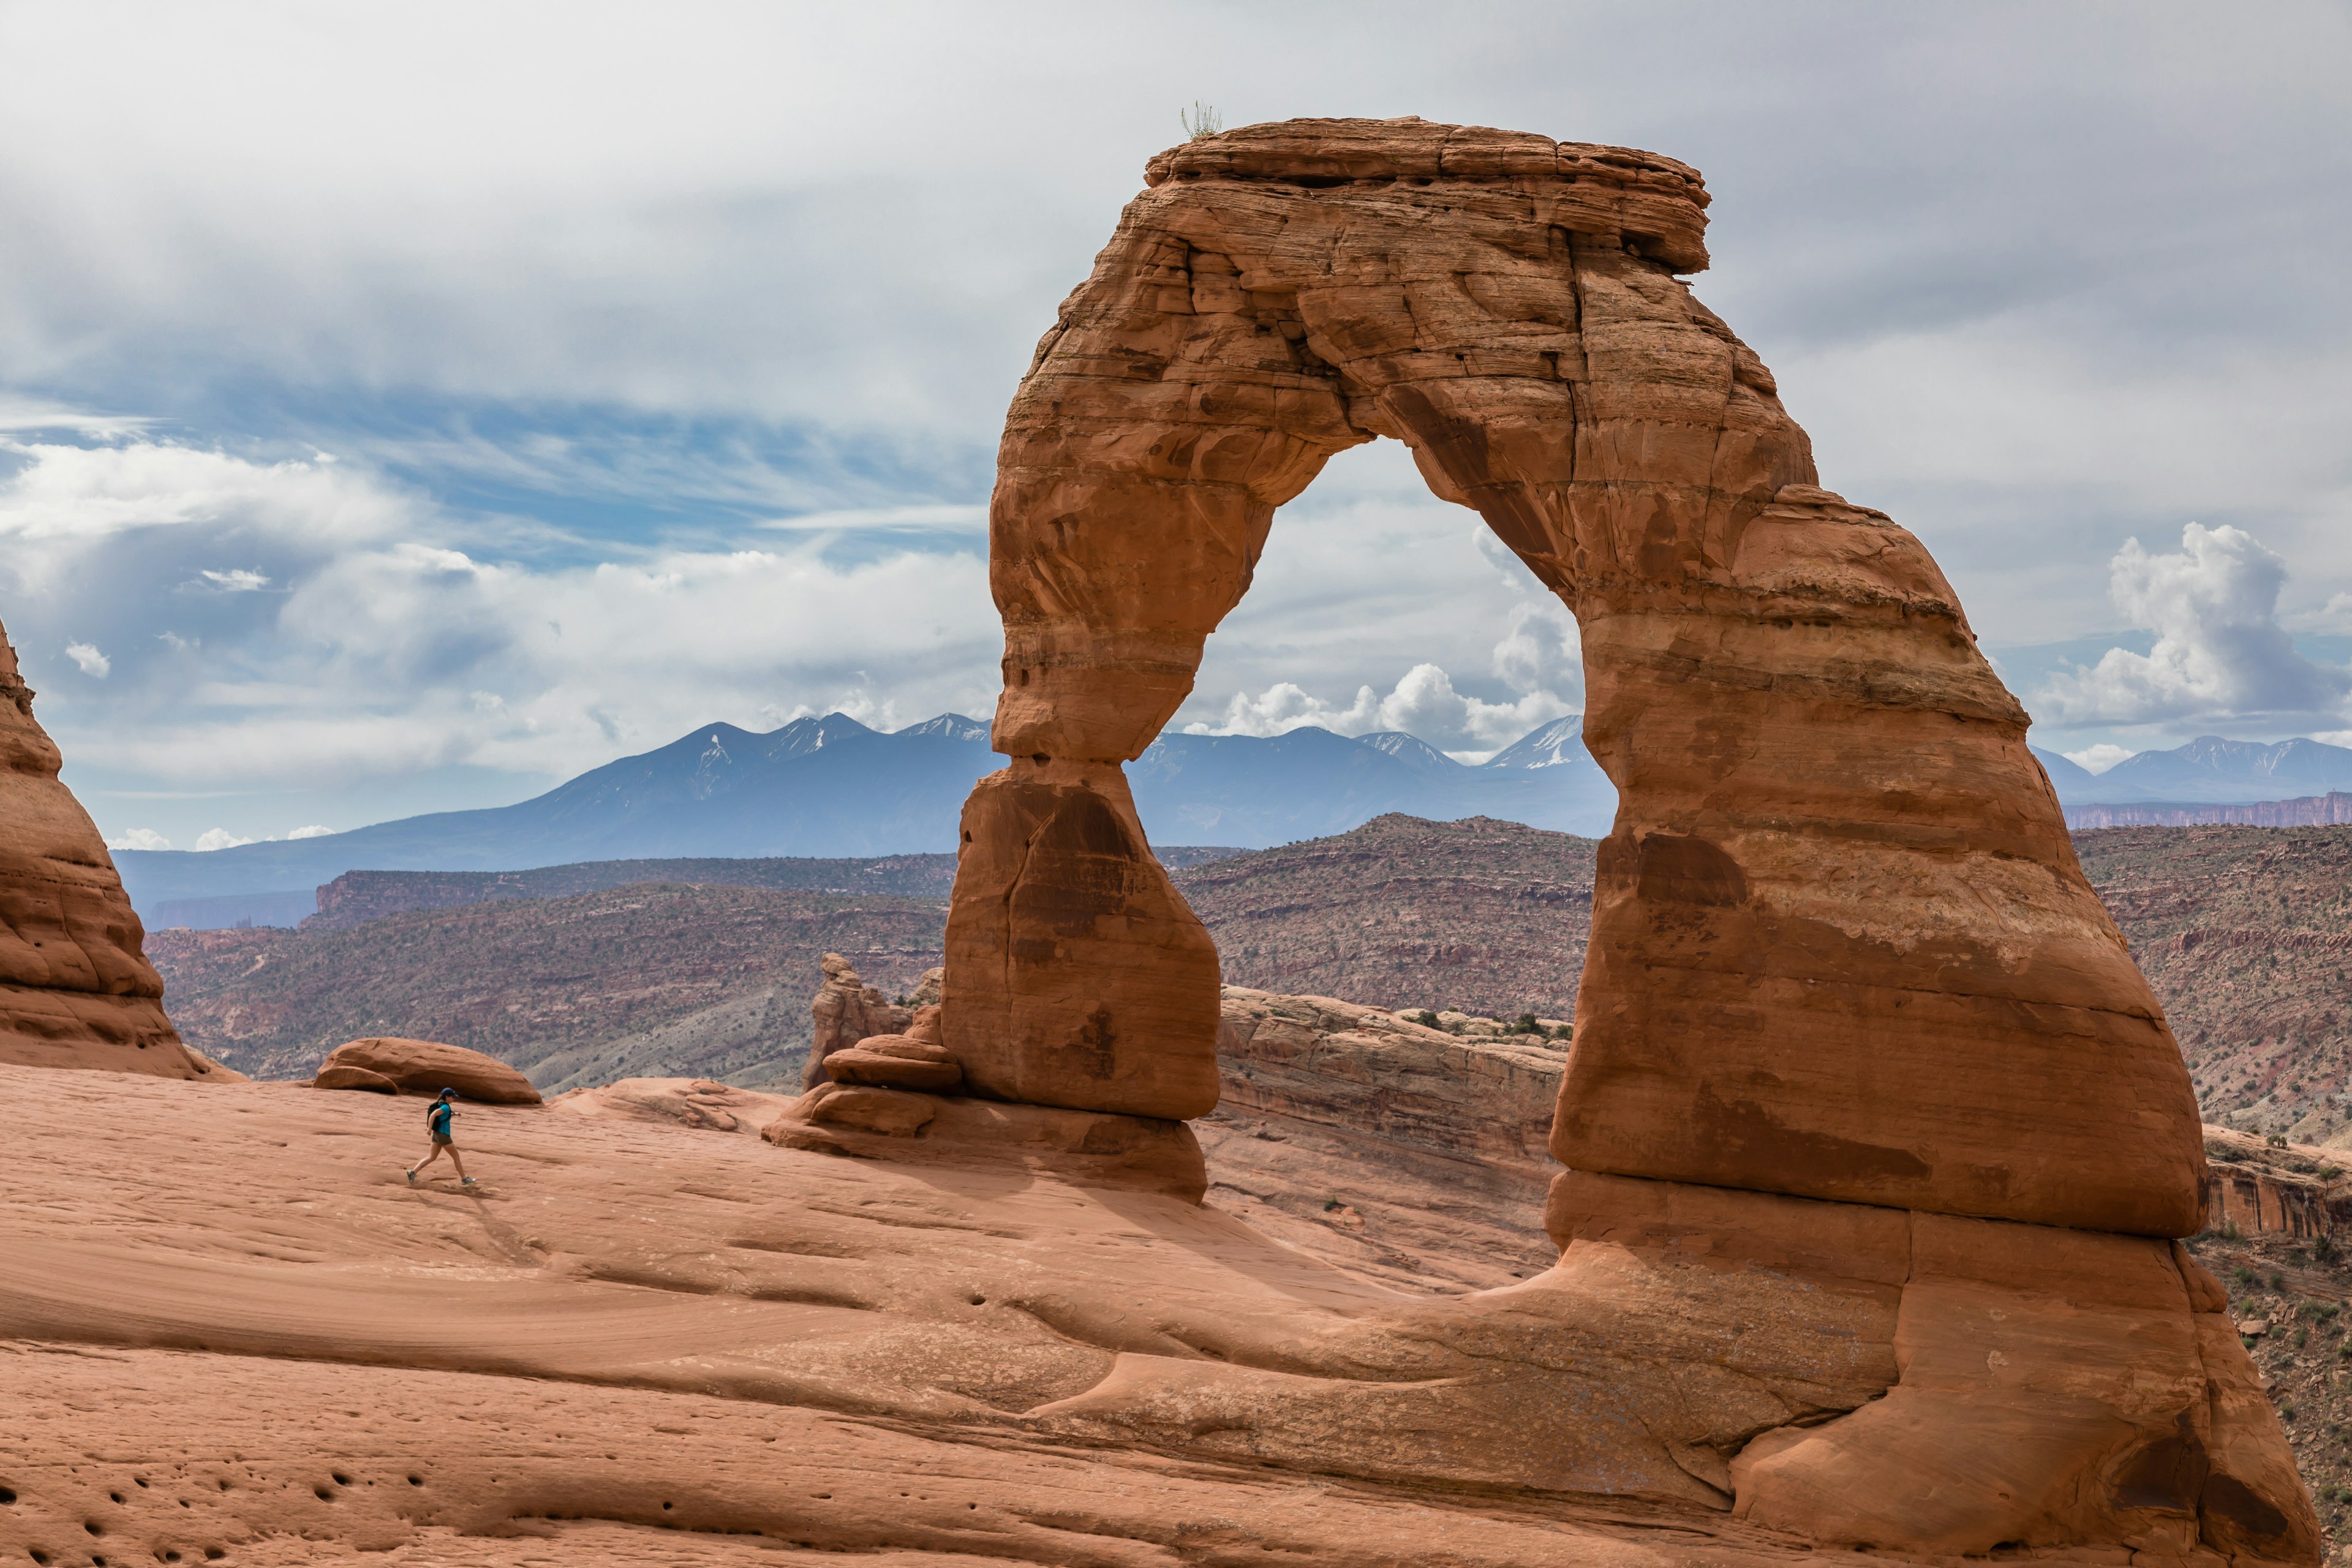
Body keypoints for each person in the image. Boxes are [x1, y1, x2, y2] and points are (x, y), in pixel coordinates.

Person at [405, 1088, 476, 1186]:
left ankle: (413, 1172)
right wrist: (429, 1129)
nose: (454, 1099)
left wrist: (454, 1114)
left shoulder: (442, 1105)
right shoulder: (445, 1108)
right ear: (447, 1097)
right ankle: (464, 1179)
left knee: (431, 1157)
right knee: (456, 1157)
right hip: (443, 1136)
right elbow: (433, 1115)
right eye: (453, 1097)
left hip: (436, 1135)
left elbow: (443, 1115)